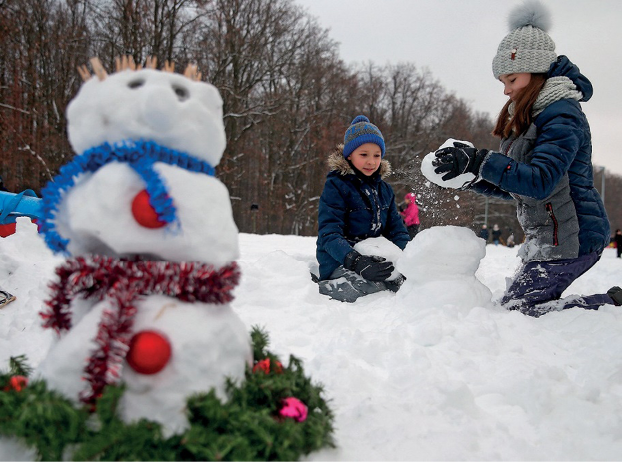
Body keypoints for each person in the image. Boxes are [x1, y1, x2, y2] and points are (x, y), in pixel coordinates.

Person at [432, 2, 621, 316]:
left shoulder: (562, 115)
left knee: (518, 313)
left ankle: (610, 307)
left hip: (575, 236)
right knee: (513, 309)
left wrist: (480, 161)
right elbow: (517, 186)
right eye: (502, 82)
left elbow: (540, 182)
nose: (506, 90)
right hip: (548, 237)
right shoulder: (529, 117)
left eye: (512, 80)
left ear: (536, 73)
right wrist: (473, 177)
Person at [316, 115, 409, 302]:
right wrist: (356, 261)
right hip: (340, 260)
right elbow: (329, 234)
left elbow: (397, 231)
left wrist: (407, 260)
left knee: (406, 287)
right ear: (349, 155)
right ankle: (319, 288)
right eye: (364, 154)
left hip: (376, 258)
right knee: (370, 292)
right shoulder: (337, 186)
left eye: (376, 155)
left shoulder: (385, 190)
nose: (371, 162)